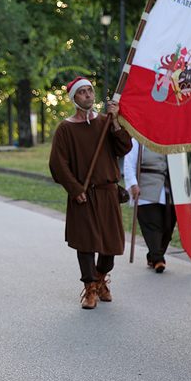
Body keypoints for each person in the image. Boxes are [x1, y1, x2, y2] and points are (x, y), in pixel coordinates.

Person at [49, 77, 132, 310]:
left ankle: (100, 278)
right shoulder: (65, 129)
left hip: (107, 193)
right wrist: (75, 189)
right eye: (82, 92)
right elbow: (58, 164)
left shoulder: (106, 122)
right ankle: (90, 289)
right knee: (86, 244)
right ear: (74, 98)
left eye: (90, 91)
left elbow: (124, 147)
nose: (87, 95)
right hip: (83, 195)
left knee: (110, 244)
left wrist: (115, 122)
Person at [124, 138, 176, 273]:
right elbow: (129, 164)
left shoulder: (170, 140)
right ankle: (158, 259)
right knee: (152, 225)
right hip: (145, 189)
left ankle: (153, 255)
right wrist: (133, 184)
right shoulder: (138, 141)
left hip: (166, 190)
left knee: (168, 225)